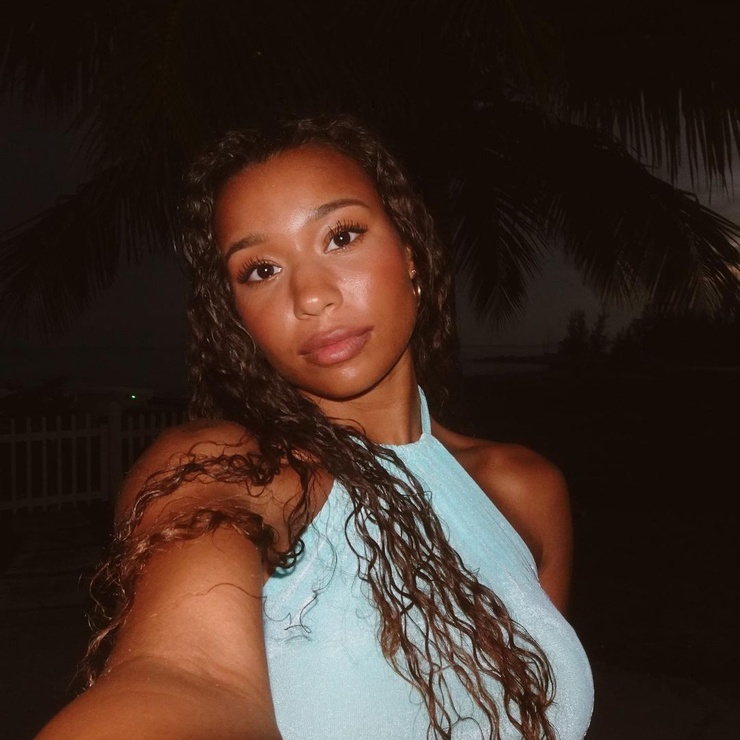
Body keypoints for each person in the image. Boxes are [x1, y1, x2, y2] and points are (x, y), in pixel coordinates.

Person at [38, 115, 593, 739]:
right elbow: (185, 674)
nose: (310, 295)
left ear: (410, 254)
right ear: (238, 317)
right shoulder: (227, 468)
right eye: (261, 270)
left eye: (341, 236)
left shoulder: (525, 488)